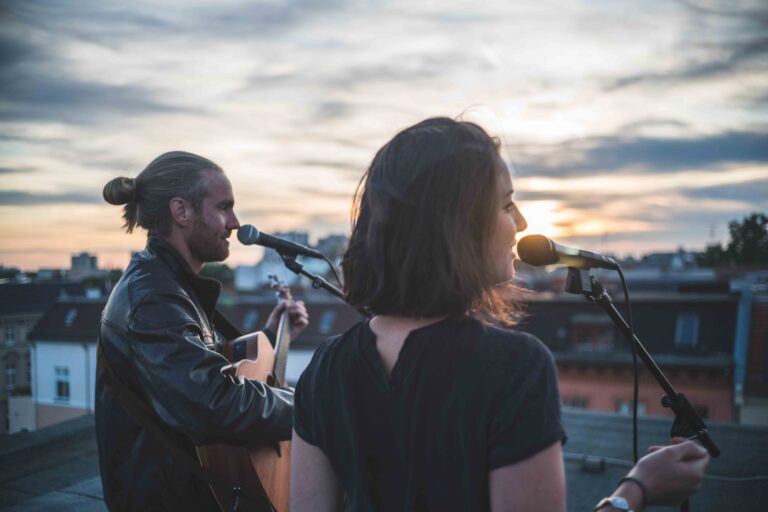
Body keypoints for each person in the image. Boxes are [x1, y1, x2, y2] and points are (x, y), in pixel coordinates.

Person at [290, 118, 710, 511]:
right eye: (507, 204)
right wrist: (635, 490)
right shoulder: (513, 367)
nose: (522, 222)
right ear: (459, 224)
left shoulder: (323, 370)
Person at [97, 151, 309, 511]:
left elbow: (198, 368)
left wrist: (271, 338)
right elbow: (212, 403)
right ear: (181, 211)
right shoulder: (153, 300)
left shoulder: (168, 285)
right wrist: (313, 407)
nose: (235, 223)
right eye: (224, 207)